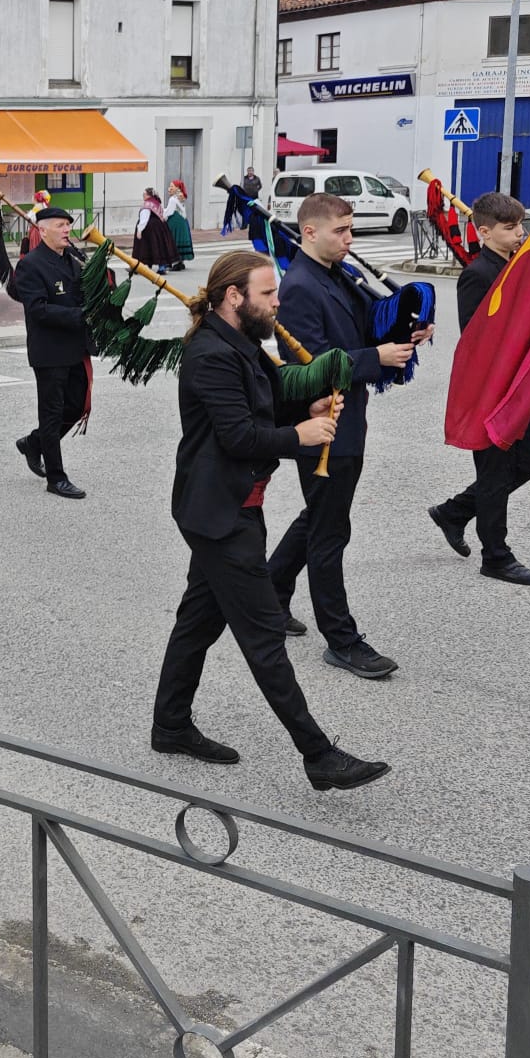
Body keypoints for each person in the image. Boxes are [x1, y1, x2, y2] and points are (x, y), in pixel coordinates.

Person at [151, 250, 389, 791]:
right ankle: (319, 755)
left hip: (232, 505)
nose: (277, 302)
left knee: (198, 621)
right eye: (267, 293)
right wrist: (299, 437)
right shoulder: (211, 352)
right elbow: (238, 437)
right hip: (219, 513)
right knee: (263, 638)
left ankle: (169, 725)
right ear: (234, 297)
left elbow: (264, 403)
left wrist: (302, 412)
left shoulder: (242, 344)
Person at [265, 193, 430, 679]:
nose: (350, 239)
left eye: (351, 229)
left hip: (346, 418)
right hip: (322, 425)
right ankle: (341, 639)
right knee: (330, 531)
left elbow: (364, 328)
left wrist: (406, 331)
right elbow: (308, 365)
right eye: (341, 231)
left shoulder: (336, 273)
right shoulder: (299, 286)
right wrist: (375, 359)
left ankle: (272, 592)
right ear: (310, 232)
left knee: (321, 513)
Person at [428, 193, 530, 585]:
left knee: (528, 462)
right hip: (489, 388)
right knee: (495, 470)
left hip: (515, 385)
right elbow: (477, 337)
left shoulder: (516, 266)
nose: (520, 233)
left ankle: (453, 512)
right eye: (510, 227)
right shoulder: (479, 275)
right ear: (484, 232)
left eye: (521, 225)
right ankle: (496, 556)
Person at [13, 205, 92, 499]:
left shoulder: (72, 258)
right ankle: (56, 478)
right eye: (60, 225)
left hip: (75, 346)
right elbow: (37, 310)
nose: (66, 230)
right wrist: (79, 316)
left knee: (76, 406)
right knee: (52, 413)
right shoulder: (30, 265)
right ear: (42, 230)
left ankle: (34, 444)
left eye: (68, 225)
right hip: (49, 351)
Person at [133, 187, 180, 275]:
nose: (143, 196)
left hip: (149, 229)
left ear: (148, 195)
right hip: (160, 227)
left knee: (143, 247)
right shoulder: (156, 203)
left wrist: (139, 230)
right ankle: (161, 267)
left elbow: (144, 219)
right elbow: (164, 214)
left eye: (144, 194)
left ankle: (138, 266)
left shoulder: (147, 205)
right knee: (159, 247)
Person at [163, 180, 194, 270]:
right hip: (182, 222)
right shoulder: (180, 197)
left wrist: (161, 214)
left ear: (177, 188)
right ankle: (180, 262)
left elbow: (169, 212)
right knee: (179, 240)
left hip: (174, 222)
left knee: (172, 240)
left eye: (172, 186)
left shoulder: (173, 199)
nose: (170, 188)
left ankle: (174, 262)